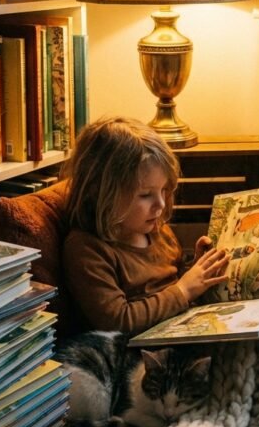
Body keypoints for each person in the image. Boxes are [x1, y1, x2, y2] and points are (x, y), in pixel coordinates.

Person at [61, 116, 229, 337]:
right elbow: (118, 320)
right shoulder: (87, 249)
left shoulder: (156, 230)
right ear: (102, 193)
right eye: (145, 195)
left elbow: (173, 283)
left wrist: (196, 269)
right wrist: (184, 290)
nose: (160, 204)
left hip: (185, 328)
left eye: (163, 190)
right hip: (140, 356)